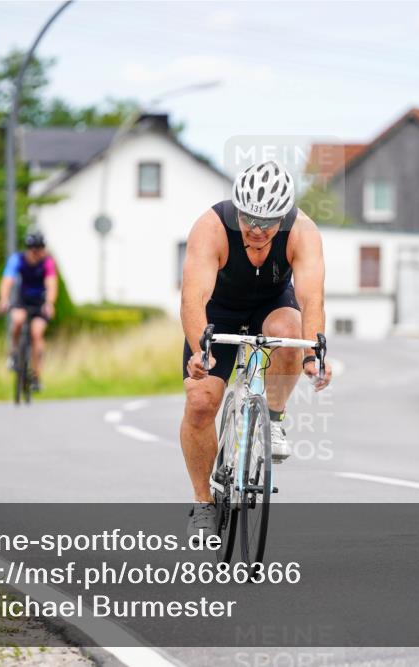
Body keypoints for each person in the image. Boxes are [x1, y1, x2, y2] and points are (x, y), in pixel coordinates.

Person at [179, 160, 333, 537]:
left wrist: (314, 354)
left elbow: (312, 298)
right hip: (219, 310)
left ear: (284, 216)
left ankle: (275, 420)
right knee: (200, 402)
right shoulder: (211, 227)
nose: (258, 230)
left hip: (272, 303)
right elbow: (193, 298)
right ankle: (203, 503)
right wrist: (202, 351)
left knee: (289, 331)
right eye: (249, 219)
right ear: (237, 209)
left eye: (268, 222)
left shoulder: (303, 232)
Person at [0, 228, 57, 392]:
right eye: (36, 250)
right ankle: (14, 354)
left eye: (41, 249)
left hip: (40, 302)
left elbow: (51, 284)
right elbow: (7, 281)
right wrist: (3, 300)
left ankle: (36, 376)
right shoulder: (17, 259)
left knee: (37, 333)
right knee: (17, 321)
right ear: (29, 249)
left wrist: (50, 303)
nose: (39, 253)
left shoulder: (48, 262)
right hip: (22, 300)